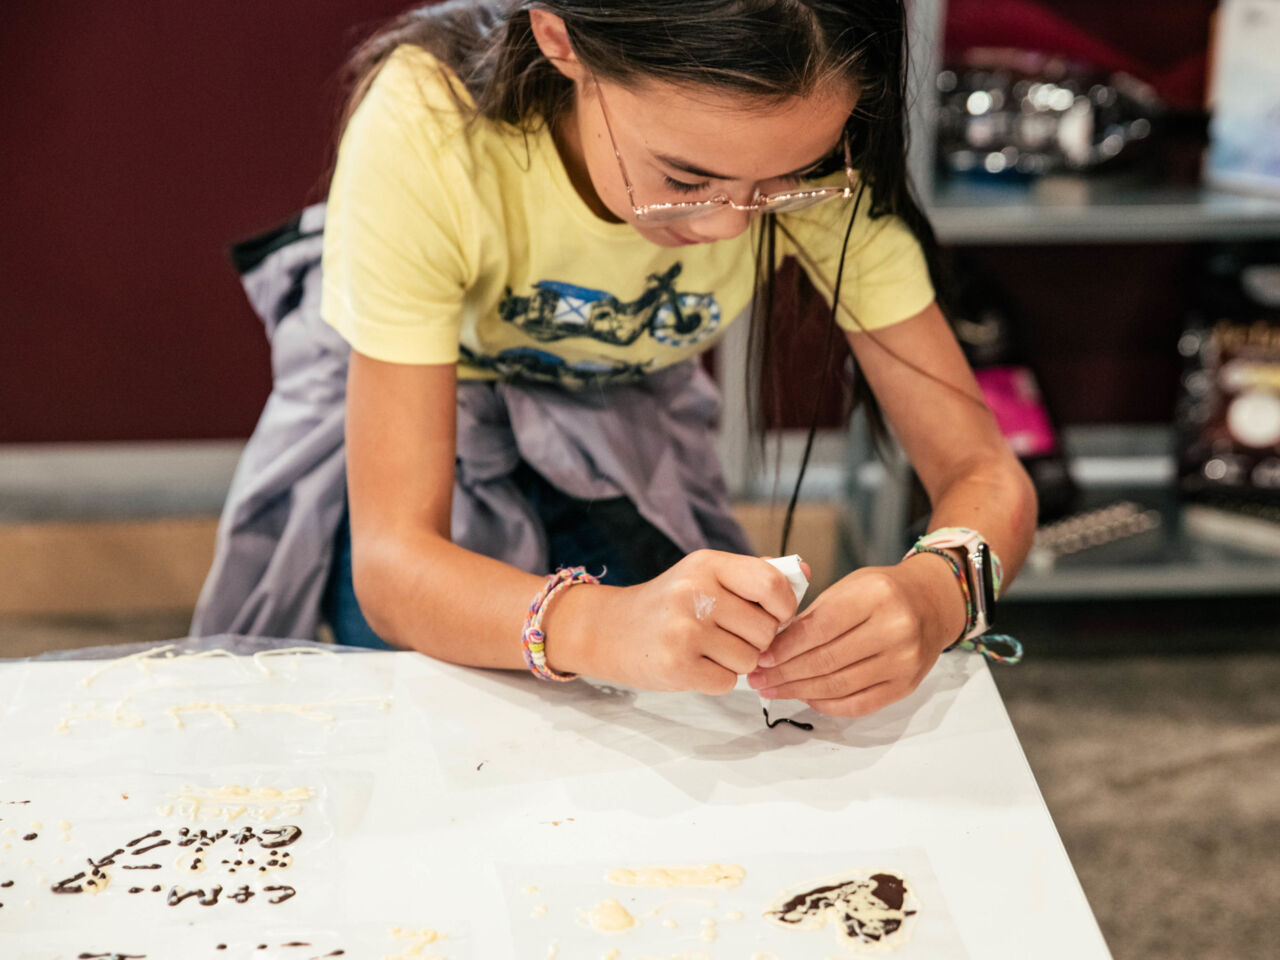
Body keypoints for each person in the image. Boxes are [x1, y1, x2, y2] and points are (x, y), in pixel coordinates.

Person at [193, 0, 1037, 719]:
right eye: (685, 176)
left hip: (620, 415)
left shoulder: (809, 152)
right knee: (433, 708)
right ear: (561, 39)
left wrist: (938, 593)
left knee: (684, 700)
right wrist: (600, 627)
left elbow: (985, 472)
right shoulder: (428, 123)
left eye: (786, 183)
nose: (728, 228)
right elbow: (396, 564)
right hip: (415, 416)